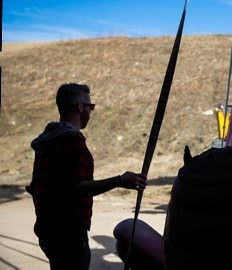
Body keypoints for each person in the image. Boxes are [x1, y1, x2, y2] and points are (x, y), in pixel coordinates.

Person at [26, 83, 147, 270]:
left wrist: (44, 221)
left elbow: (36, 188)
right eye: (90, 106)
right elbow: (77, 188)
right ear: (80, 107)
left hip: (49, 230)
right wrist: (120, 181)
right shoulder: (71, 141)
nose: (91, 111)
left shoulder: (49, 140)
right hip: (69, 233)